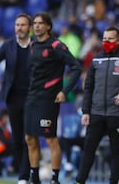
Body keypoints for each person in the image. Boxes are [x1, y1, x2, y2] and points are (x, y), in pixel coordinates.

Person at [75, 26, 119, 184]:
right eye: (104, 38)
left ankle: (114, 182)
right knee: (88, 149)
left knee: (116, 151)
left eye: (110, 38)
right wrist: (86, 111)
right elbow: (88, 87)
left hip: (117, 114)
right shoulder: (96, 59)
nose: (106, 41)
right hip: (96, 113)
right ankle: (80, 181)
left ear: (118, 40)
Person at [24, 12, 82, 184]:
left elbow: (76, 68)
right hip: (32, 97)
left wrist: (64, 91)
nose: (36, 26)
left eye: (40, 23)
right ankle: (35, 178)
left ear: (48, 26)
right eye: (34, 23)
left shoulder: (57, 46)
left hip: (48, 99)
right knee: (30, 138)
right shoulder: (33, 45)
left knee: (50, 138)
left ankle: (55, 179)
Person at [0, 13, 32, 184]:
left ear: (30, 28)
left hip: (31, 97)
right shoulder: (9, 45)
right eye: (17, 25)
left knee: (29, 138)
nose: (19, 28)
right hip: (13, 97)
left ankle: (24, 176)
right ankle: (24, 173)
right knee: (17, 139)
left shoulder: (37, 46)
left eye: (22, 25)